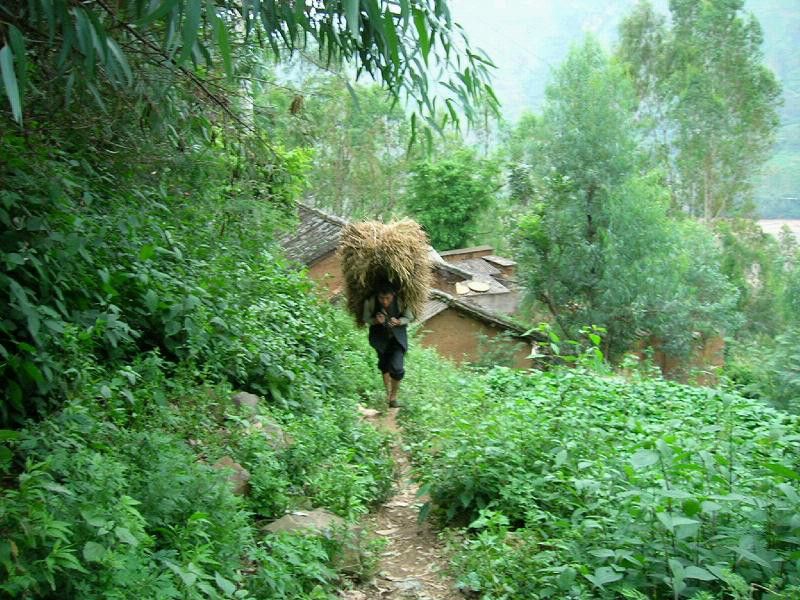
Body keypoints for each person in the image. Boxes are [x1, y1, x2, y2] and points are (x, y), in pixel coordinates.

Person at [362, 283, 414, 407]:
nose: (384, 301)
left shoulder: (401, 301)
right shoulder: (370, 302)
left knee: (397, 369)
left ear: (393, 296)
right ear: (377, 296)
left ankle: (393, 397)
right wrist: (375, 321)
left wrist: (399, 321)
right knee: (384, 365)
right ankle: (388, 394)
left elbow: (409, 317)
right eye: (381, 298)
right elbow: (365, 318)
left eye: (388, 298)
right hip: (380, 339)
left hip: (397, 339)